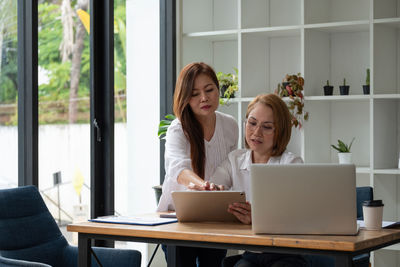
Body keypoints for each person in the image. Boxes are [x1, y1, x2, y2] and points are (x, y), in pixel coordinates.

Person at [210, 93, 308, 267]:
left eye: (267, 127)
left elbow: (300, 216)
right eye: (252, 123)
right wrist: (213, 191)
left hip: (287, 254)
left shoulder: (291, 163)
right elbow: (212, 191)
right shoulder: (235, 159)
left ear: (280, 131)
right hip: (251, 254)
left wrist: (259, 217)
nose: (256, 133)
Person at [157, 62, 239, 267]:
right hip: (178, 218)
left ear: (218, 89)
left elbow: (232, 168)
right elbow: (178, 168)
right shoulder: (178, 129)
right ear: (185, 98)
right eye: (194, 94)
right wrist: (203, 186)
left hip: (215, 219)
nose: (204, 98)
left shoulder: (230, 125)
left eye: (209, 90)